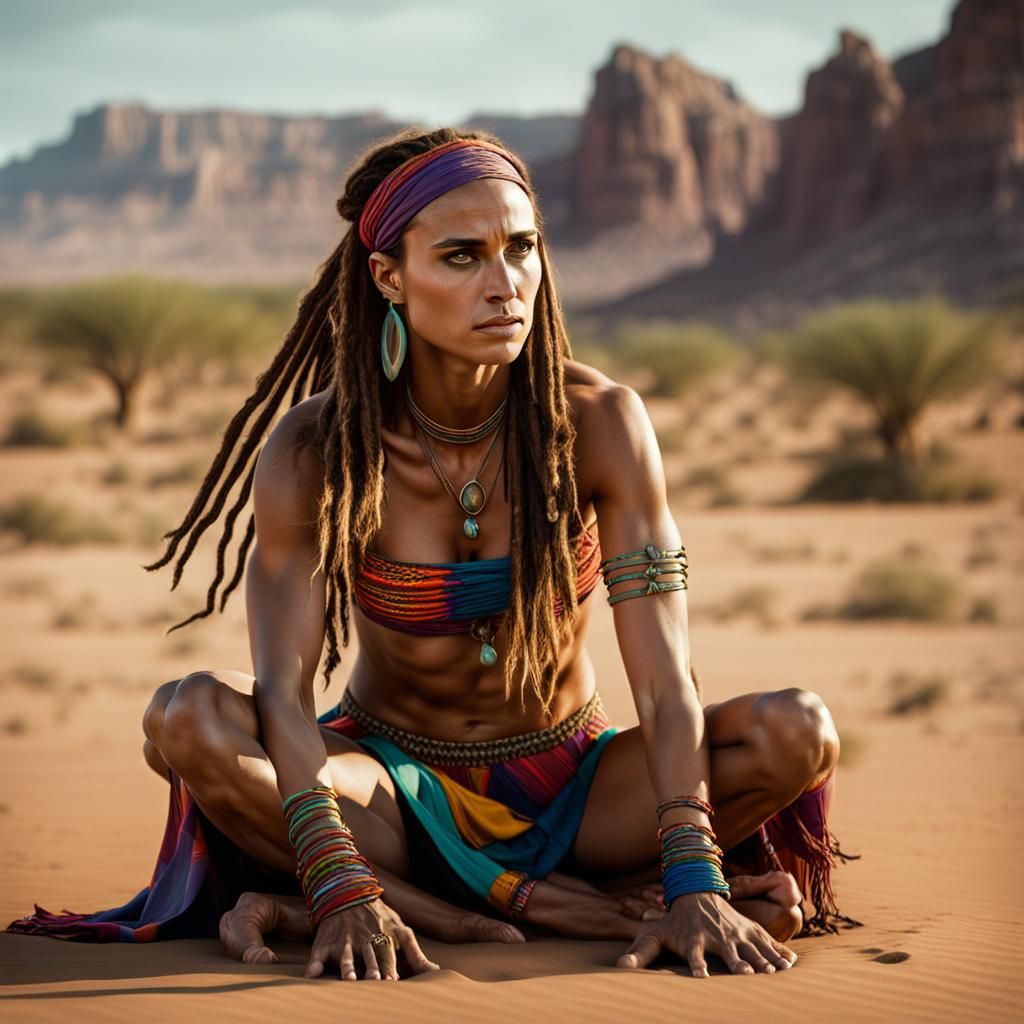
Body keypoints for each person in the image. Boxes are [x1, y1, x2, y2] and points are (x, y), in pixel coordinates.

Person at [8, 127, 858, 980]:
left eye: (521, 248)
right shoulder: (315, 451)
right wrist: (343, 887)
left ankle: (513, 893)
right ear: (389, 277)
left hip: (583, 792)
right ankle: (456, 903)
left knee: (797, 730)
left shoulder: (601, 424)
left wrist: (697, 878)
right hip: (389, 794)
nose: (505, 283)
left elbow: (668, 682)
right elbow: (285, 701)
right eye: (461, 256)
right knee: (186, 716)